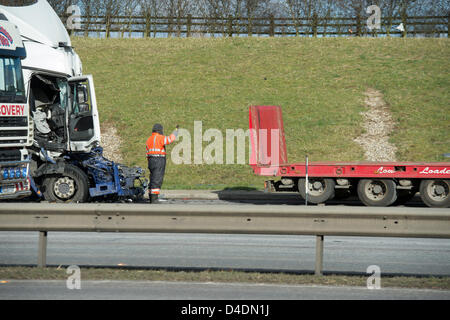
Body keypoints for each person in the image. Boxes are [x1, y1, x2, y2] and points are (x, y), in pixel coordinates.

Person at [146, 123, 179, 203]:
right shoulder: (160, 138)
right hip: (159, 160)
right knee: (157, 179)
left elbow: (147, 152)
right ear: (160, 130)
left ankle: (151, 196)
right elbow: (170, 139)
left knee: (153, 178)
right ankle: (154, 199)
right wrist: (176, 131)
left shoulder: (149, 139)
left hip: (151, 160)